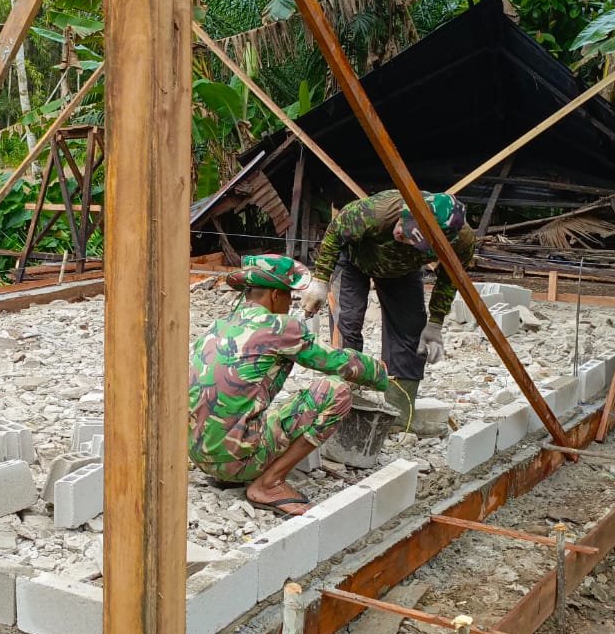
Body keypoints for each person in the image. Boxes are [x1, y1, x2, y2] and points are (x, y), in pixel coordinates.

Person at [189, 254, 389, 516]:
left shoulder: (220, 326)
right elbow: (336, 361)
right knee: (335, 391)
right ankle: (269, 483)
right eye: (288, 296)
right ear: (275, 295)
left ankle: (231, 472)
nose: (289, 303)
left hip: (200, 454)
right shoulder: (278, 326)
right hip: (236, 460)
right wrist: (380, 373)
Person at [301, 190, 475, 427]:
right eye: (404, 223)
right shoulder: (376, 212)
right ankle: (341, 406)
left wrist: (435, 322)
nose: (400, 231)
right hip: (354, 259)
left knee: (411, 332)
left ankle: (398, 415)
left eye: (409, 238)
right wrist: (320, 280)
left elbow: (450, 278)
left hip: (401, 270)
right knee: (347, 324)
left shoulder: (461, 241)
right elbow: (335, 232)